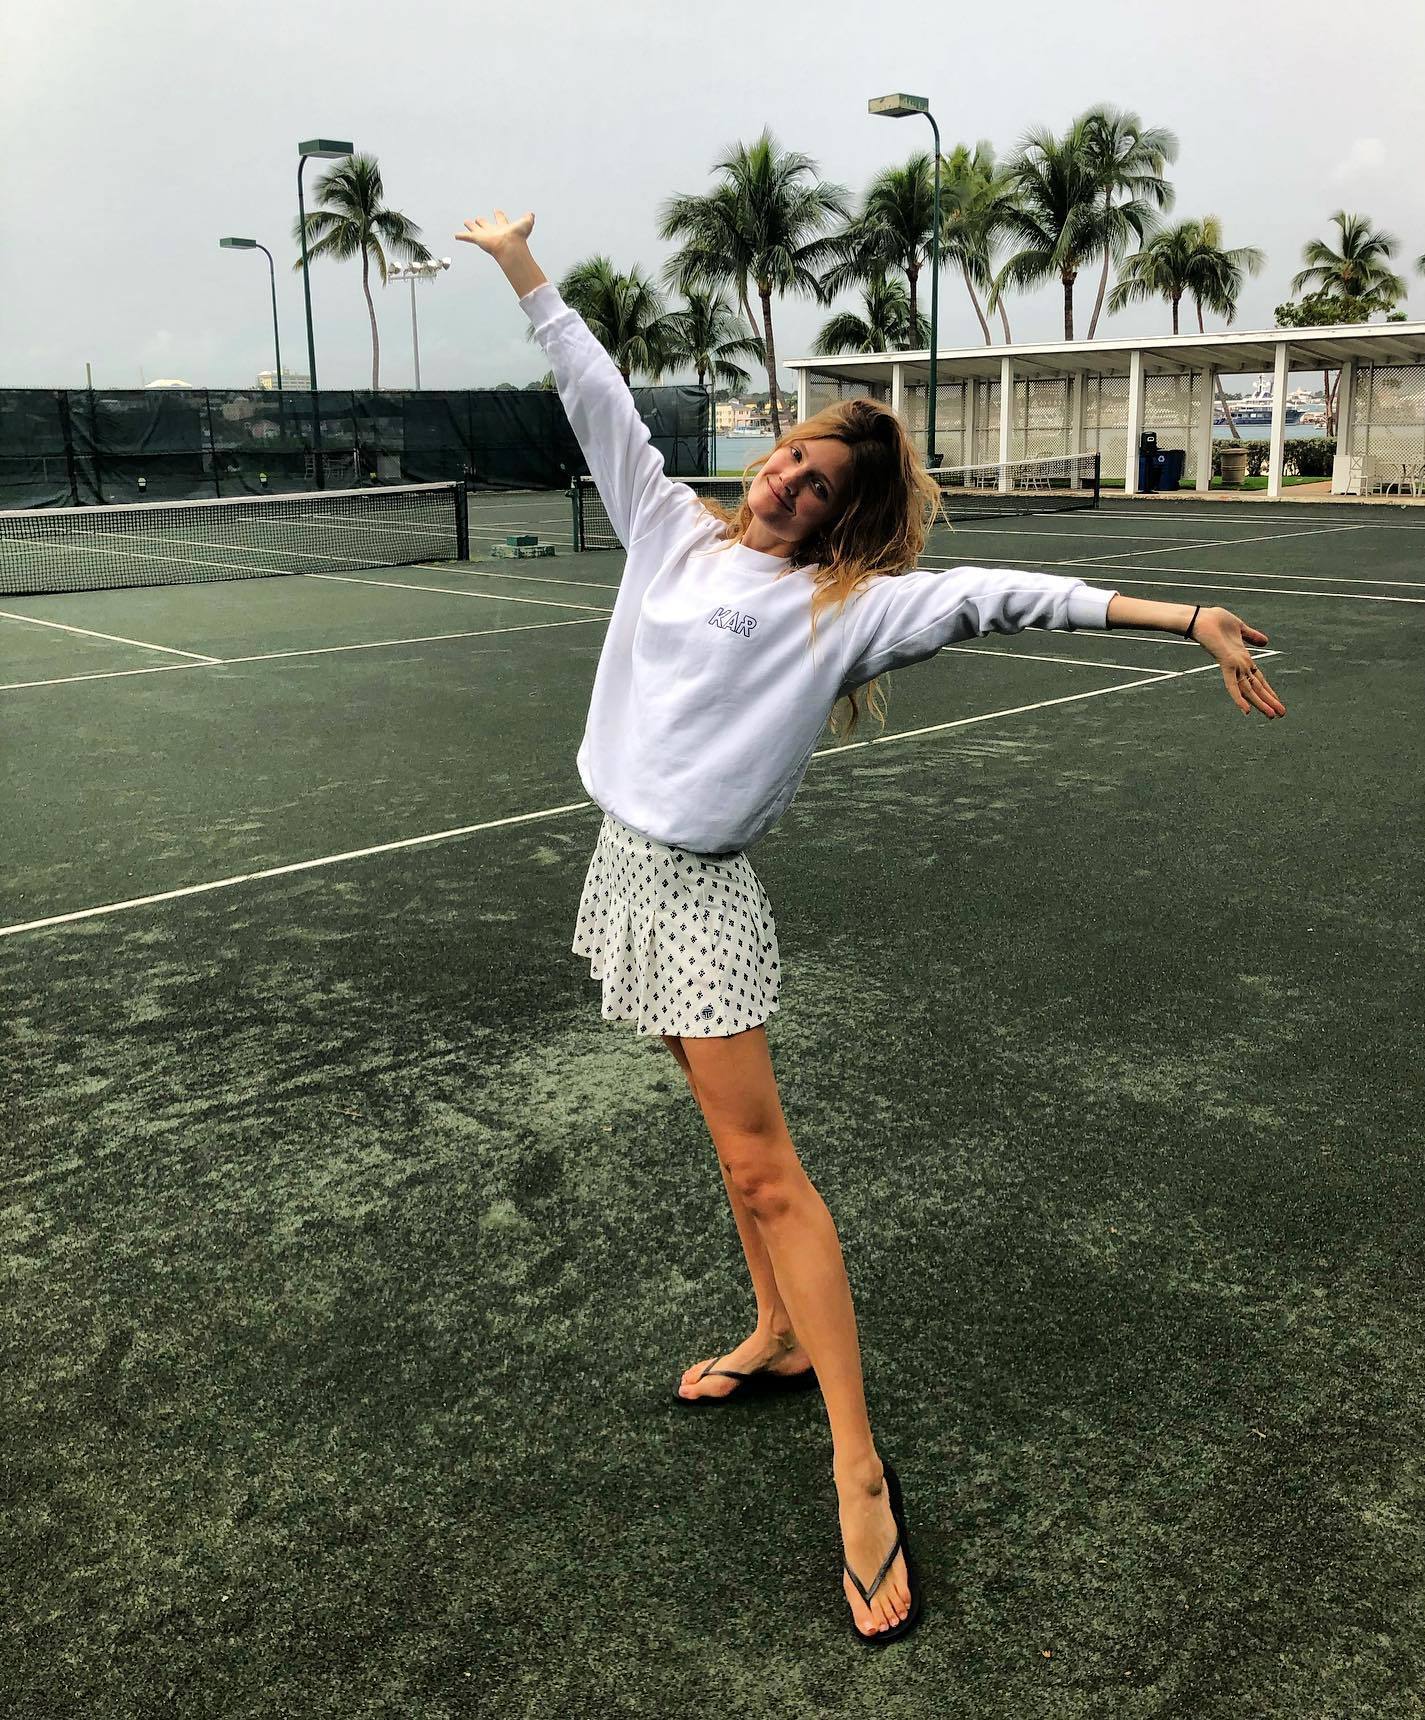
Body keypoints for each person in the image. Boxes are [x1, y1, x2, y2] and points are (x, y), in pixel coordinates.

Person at [455, 208, 1287, 1648]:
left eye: (819, 483)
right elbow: (596, 395)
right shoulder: (668, 532)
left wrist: (1185, 614)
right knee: (729, 1153)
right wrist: (525, 268)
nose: (787, 481)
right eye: (789, 457)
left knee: (769, 1174)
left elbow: (1007, 596)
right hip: (621, 870)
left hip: (699, 897)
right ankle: (775, 1333)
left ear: (841, 518)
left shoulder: (847, 610)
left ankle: (856, 1465)